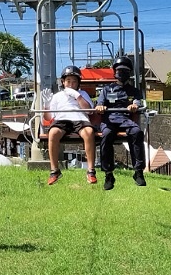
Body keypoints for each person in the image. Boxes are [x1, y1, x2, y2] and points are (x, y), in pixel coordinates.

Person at [95, 56, 146, 190]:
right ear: (115, 72)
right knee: (106, 135)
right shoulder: (107, 89)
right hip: (110, 119)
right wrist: (100, 107)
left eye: (125, 71)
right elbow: (99, 103)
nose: (122, 73)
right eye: (119, 71)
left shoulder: (134, 91)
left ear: (129, 73)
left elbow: (137, 102)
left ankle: (138, 171)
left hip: (125, 119)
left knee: (137, 132)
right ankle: (108, 174)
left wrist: (134, 106)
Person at [46, 65, 98, 185]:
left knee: (89, 132)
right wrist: (46, 105)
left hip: (79, 118)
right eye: (68, 81)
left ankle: (91, 170)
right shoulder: (57, 96)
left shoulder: (82, 94)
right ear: (63, 82)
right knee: (53, 133)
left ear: (78, 83)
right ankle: (54, 170)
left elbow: (89, 111)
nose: (71, 84)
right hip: (62, 119)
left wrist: (77, 96)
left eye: (74, 81)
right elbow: (48, 117)